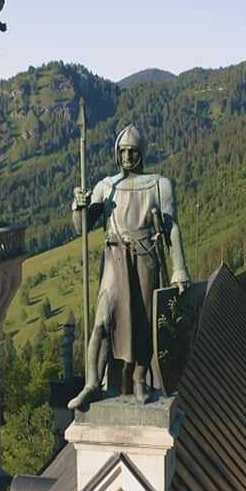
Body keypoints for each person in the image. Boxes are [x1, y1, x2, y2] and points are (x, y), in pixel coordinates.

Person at [68, 125, 190, 410]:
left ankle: (139, 378)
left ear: (141, 152)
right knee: (102, 321)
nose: (127, 156)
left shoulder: (160, 185)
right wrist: (80, 207)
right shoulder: (105, 186)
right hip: (114, 258)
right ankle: (91, 384)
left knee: (143, 322)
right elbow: (82, 228)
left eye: (132, 151)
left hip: (145, 258)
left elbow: (171, 227)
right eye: (122, 151)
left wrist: (179, 267)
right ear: (116, 153)